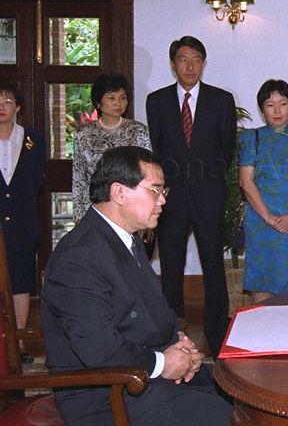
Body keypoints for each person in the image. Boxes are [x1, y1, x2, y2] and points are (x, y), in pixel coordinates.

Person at [40, 146, 232, 426]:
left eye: (163, 192)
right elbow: (100, 353)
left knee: (240, 393)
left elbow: (151, 311)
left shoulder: (125, 239)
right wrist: (164, 363)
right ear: (119, 193)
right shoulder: (78, 257)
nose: (163, 201)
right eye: (155, 190)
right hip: (109, 395)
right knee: (234, 418)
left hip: (144, 376)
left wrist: (179, 343)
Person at [146, 36, 236, 356]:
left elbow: (226, 150)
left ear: (203, 63)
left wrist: (205, 178)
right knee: (171, 265)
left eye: (196, 59)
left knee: (214, 264)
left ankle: (217, 334)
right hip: (170, 197)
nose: (190, 65)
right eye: (183, 59)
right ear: (173, 64)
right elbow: (158, 149)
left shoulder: (221, 100)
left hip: (208, 193)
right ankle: (171, 332)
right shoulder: (156, 101)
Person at [238, 79, 288, 303]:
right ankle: (262, 334)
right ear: (262, 110)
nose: (276, 110)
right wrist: (268, 218)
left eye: (282, 103)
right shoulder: (250, 138)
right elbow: (246, 181)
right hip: (260, 220)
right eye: (269, 104)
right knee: (262, 280)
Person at [72, 72, 151, 223]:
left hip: (131, 206)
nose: (118, 103)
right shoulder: (84, 134)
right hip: (96, 208)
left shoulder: (138, 130)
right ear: (98, 102)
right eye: (112, 98)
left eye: (123, 98)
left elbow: (146, 174)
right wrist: (79, 216)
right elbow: (79, 178)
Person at [0, 80, 44, 330]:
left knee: (21, 281)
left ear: (18, 107)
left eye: (7, 101)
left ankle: (19, 343)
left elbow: (36, 179)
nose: (2, 106)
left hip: (22, 222)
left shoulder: (33, 138)